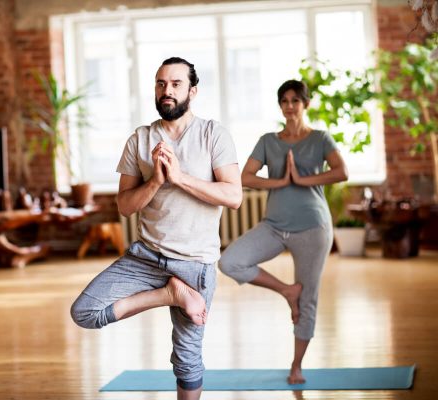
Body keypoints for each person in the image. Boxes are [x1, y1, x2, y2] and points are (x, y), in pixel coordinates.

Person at [70, 57, 242, 400]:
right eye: (161, 83)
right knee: (84, 312)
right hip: (146, 257)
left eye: (176, 84)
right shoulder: (141, 138)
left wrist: (179, 178)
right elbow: (124, 205)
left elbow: (233, 195)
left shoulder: (213, 134)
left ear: (192, 91)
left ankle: (177, 291)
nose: (167, 91)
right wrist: (156, 183)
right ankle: (168, 293)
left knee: (187, 359)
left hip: (194, 264)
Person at [218, 79, 348, 384]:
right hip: (274, 225)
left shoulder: (320, 138)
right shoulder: (268, 140)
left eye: (295, 101)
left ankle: (296, 366)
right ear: (280, 105)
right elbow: (245, 176)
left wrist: (301, 180)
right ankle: (286, 291)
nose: (290, 106)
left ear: (306, 104)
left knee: (309, 300)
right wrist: (279, 182)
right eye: (285, 101)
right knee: (230, 261)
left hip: (313, 228)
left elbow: (342, 172)